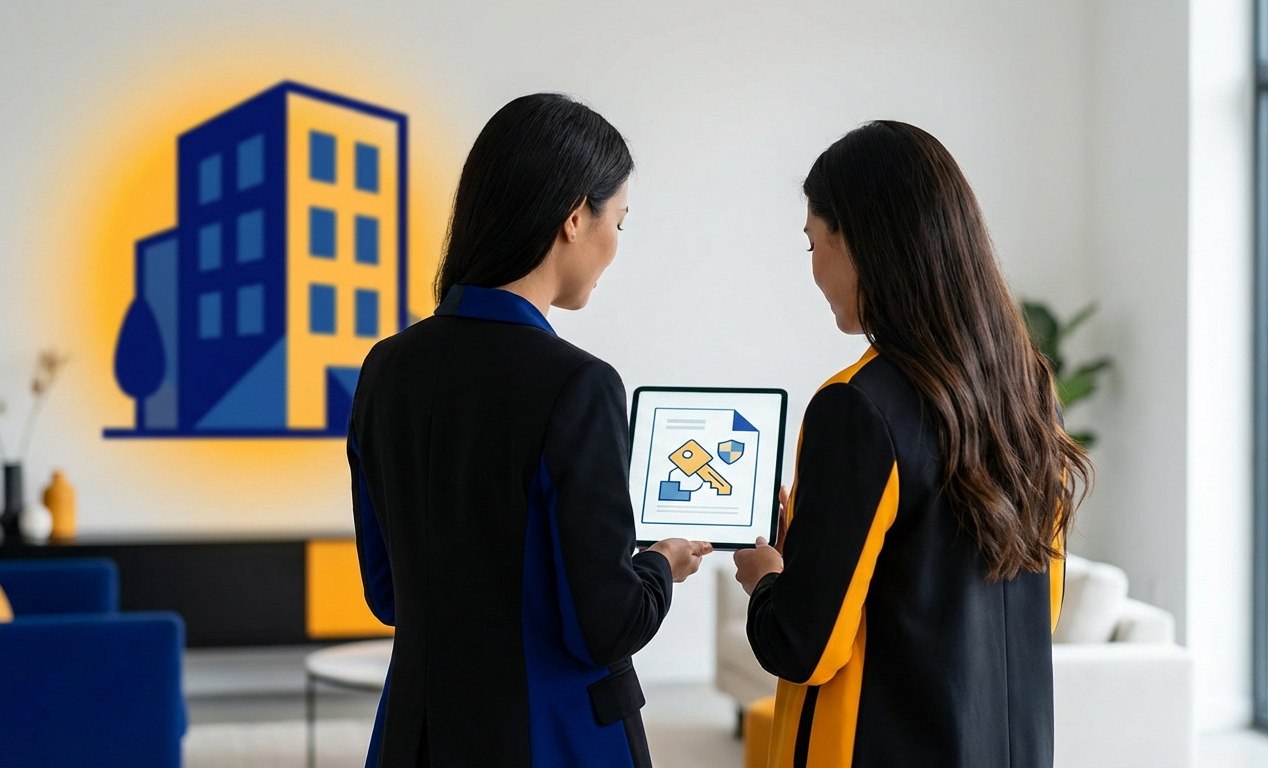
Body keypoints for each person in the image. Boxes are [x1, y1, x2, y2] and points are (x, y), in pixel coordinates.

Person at [347, 93, 712, 768]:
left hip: (415, 737)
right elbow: (605, 626)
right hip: (551, 738)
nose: (613, 249)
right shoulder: (578, 385)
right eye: (619, 223)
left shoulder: (384, 368)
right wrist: (661, 563)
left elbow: (388, 592)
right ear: (576, 217)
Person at [733, 121, 1091, 768]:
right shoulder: (1031, 392)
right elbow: (1047, 604)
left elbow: (804, 647)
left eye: (814, 242)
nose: (814, 268)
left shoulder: (857, 409)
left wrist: (767, 582)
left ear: (860, 241)